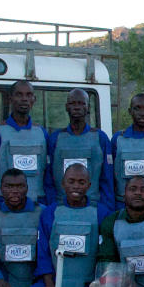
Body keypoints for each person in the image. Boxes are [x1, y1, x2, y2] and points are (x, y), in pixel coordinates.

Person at [15, 164, 104, 287]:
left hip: (84, 286)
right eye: (71, 181)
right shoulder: (50, 213)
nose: (76, 186)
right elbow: (44, 255)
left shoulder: (100, 213)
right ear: (63, 184)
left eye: (81, 182)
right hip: (55, 282)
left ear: (89, 185)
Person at [44, 87, 115, 219]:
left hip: (93, 207)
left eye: (81, 103)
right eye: (73, 103)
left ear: (88, 107)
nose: (77, 107)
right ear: (66, 107)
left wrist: (107, 210)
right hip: (62, 206)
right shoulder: (55, 138)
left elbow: (107, 180)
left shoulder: (100, 138)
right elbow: (49, 179)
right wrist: (53, 206)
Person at [0, 81, 50, 203]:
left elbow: (49, 173)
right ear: (10, 98)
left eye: (29, 95)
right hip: (3, 204)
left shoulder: (42, 133)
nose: (24, 99)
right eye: (19, 95)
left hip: (37, 203)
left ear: (34, 99)